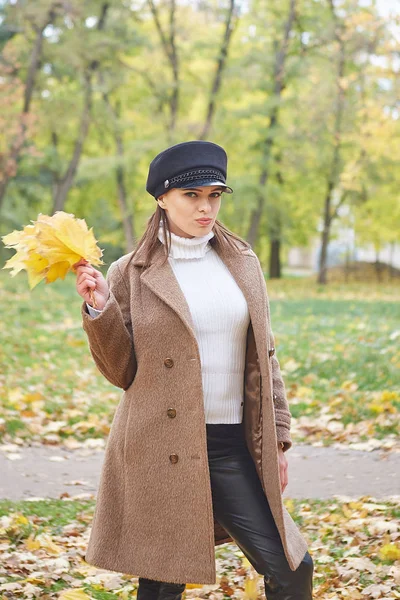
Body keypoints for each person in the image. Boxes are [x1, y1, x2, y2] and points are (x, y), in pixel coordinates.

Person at [74, 140, 314, 600]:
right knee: (163, 582)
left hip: (231, 445)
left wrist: (278, 437)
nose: (206, 208)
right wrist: (101, 309)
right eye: (192, 196)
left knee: (292, 567)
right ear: (162, 198)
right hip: (160, 447)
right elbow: (121, 371)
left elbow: (265, 356)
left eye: (215, 195)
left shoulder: (243, 263)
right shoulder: (130, 271)